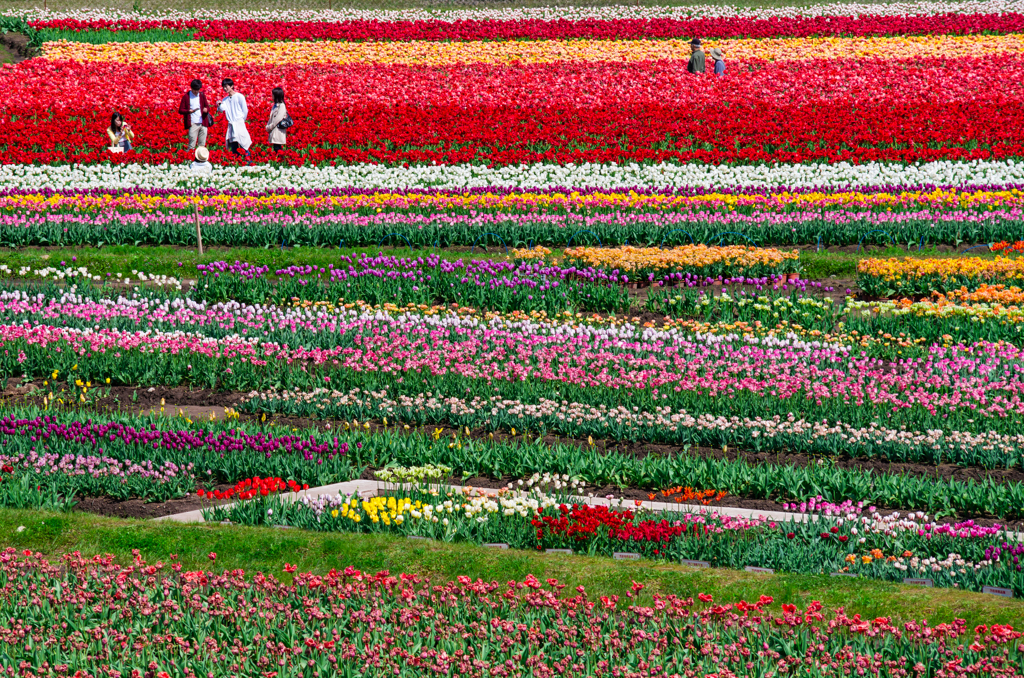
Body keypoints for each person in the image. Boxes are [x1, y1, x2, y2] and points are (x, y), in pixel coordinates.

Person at [218, 77, 252, 162]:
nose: (225, 89)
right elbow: (222, 109)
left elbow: (245, 110)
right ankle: (237, 161)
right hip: (231, 123)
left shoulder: (239, 96)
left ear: (232, 86)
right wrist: (219, 105)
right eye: (224, 87)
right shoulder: (225, 100)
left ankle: (248, 162)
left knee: (243, 143)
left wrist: (241, 121)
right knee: (234, 144)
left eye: (227, 86)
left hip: (239, 122)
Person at [178, 79, 212, 150]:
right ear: (191, 88)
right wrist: (188, 111)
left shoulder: (202, 95)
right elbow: (180, 110)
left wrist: (206, 109)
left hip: (203, 123)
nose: (196, 92)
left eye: (198, 90)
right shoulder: (186, 97)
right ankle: (189, 159)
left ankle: (200, 160)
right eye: (194, 90)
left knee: (202, 145)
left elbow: (207, 106)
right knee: (191, 144)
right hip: (193, 123)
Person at [266, 87, 288, 154]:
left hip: (278, 130)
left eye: (272, 94)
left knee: (278, 149)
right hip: (274, 130)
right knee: (276, 148)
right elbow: (271, 118)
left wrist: (270, 127)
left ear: (276, 95)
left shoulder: (281, 106)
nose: (271, 95)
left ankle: (281, 163)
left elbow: (278, 119)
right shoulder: (275, 105)